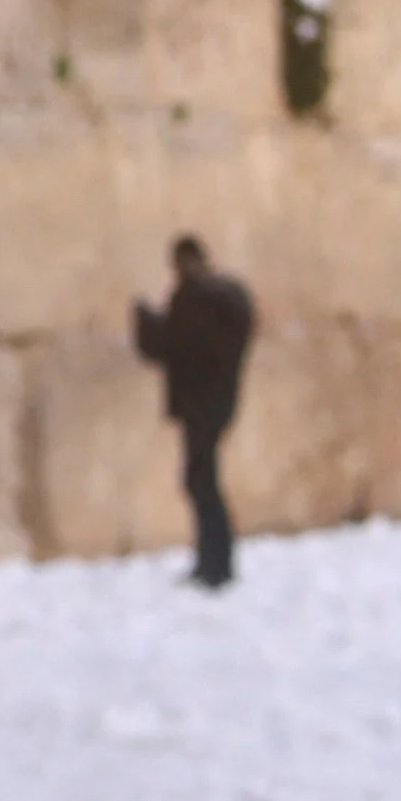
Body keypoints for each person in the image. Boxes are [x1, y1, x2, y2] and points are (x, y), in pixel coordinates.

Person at [130, 234, 256, 587]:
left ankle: (216, 564)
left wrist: (151, 326)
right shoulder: (206, 300)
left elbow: (179, 345)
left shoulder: (209, 300)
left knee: (202, 482)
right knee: (200, 481)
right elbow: (172, 347)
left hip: (206, 405)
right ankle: (212, 561)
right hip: (204, 405)